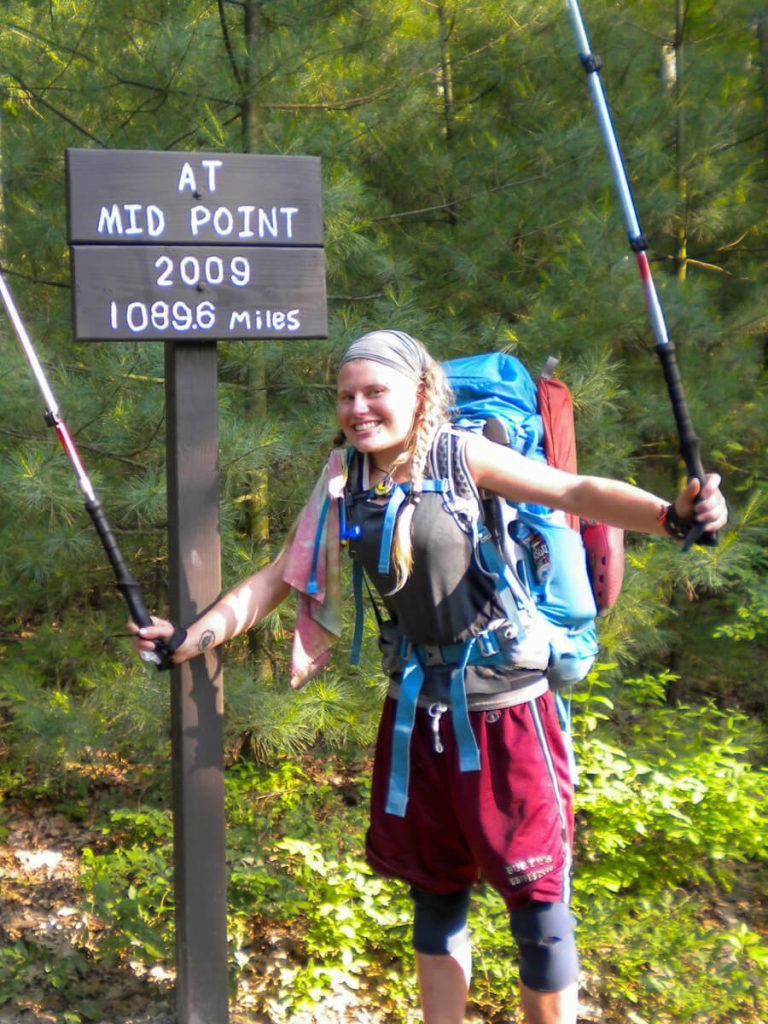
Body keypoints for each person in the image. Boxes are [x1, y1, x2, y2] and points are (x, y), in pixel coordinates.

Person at [131, 330, 728, 1024]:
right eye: (347, 395)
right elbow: (274, 581)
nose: (358, 408)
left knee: (540, 913)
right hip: (418, 718)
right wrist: (191, 638)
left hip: (509, 714)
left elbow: (575, 491)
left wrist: (671, 515)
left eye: (374, 392)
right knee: (436, 899)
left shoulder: (460, 453)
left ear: (419, 393)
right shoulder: (343, 479)